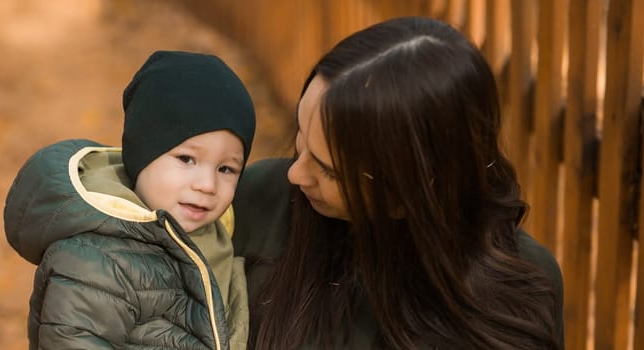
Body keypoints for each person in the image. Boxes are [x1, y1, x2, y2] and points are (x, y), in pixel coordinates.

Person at [232, 17, 564, 349]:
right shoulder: (255, 201)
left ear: (413, 191)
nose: (295, 174)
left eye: (329, 171)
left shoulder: (519, 293)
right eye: (301, 136)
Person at [4, 50, 255, 349]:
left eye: (226, 168)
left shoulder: (217, 240)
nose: (207, 184)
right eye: (186, 159)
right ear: (142, 155)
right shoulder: (97, 259)